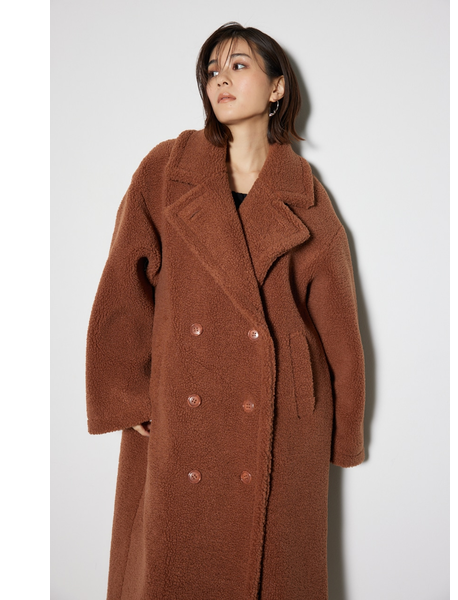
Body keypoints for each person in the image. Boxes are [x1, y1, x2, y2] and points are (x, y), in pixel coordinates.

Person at [86, 21, 366, 600]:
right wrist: (127, 393)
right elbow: (122, 284)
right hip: (181, 405)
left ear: (277, 87)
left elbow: (337, 320)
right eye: (212, 70)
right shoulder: (167, 170)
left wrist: (343, 431)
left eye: (239, 66)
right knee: (172, 563)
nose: (220, 80)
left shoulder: (304, 193)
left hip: (280, 418)